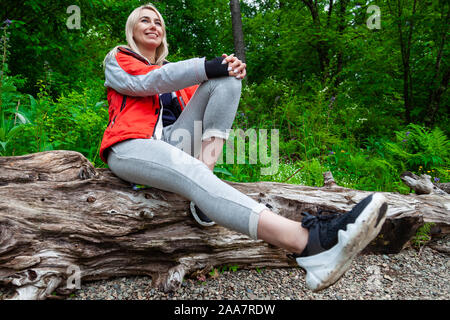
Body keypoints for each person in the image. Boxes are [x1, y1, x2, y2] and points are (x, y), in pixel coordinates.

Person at [99, 3, 388, 292]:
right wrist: (207, 65)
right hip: (131, 146)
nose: (153, 26)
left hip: (176, 143)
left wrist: (228, 68)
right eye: (144, 21)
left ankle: (204, 184)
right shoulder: (118, 59)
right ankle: (308, 244)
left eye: (158, 22)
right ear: (132, 30)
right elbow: (150, 81)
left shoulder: (177, 78)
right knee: (193, 169)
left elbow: (194, 83)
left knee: (227, 80)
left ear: (163, 34)